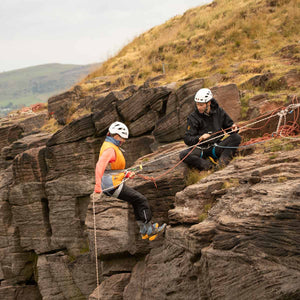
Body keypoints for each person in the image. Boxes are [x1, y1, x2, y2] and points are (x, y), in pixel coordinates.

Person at [93, 121, 166, 241]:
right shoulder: (110, 149)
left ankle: (144, 230)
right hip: (112, 185)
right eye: (122, 138)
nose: (124, 141)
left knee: (136, 201)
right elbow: (100, 166)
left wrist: (126, 174)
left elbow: (112, 169)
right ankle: (149, 228)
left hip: (112, 183)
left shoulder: (110, 146)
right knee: (141, 200)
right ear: (116, 136)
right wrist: (97, 186)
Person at [179, 88, 242, 171]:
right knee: (183, 155)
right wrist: (199, 138)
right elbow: (187, 139)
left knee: (236, 137)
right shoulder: (193, 117)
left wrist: (234, 128)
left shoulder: (219, 112)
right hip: (201, 149)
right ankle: (209, 166)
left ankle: (222, 164)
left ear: (209, 102)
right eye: (197, 104)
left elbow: (229, 129)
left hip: (217, 147)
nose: (199, 107)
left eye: (201, 105)